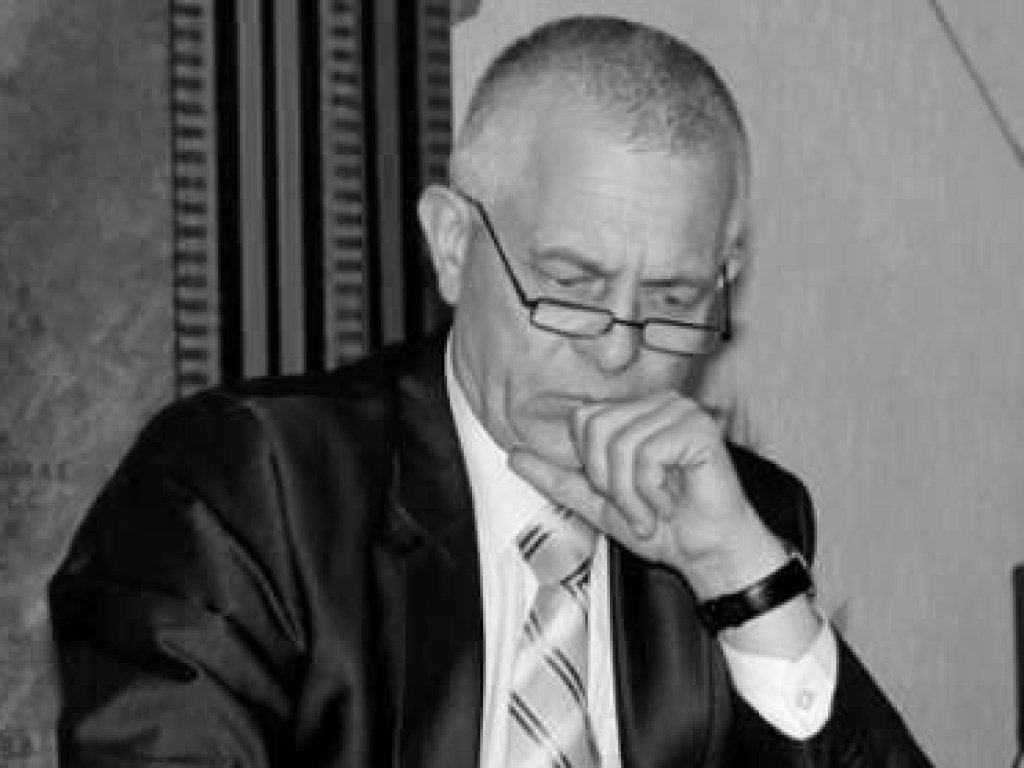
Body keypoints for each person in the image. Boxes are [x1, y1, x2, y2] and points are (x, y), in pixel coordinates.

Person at [49, 15, 932, 767]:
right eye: (572, 284)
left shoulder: (738, 521)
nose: (618, 351)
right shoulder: (245, 486)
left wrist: (744, 581)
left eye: (671, 300)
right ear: (454, 244)